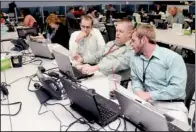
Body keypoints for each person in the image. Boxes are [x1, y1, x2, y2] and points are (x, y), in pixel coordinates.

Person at [129, 24, 188, 124]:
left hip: (171, 107)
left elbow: (177, 89)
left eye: (133, 41)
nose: (131, 44)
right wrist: (139, 92)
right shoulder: (135, 57)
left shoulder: (173, 58)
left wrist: (149, 95)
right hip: (146, 103)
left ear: (143, 40)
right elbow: (135, 79)